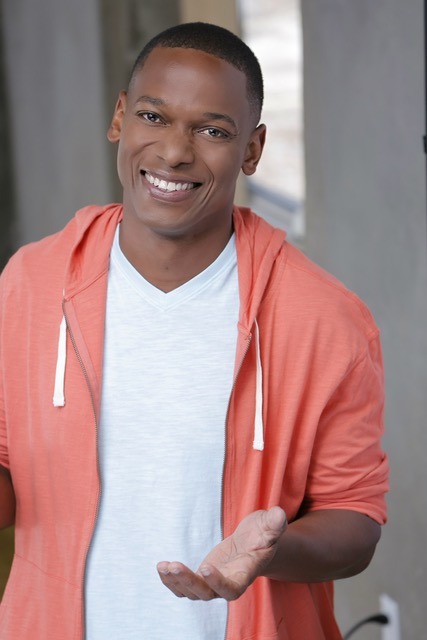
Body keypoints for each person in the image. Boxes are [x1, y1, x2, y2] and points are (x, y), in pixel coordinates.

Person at [0, 21, 388, 640]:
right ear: (120, 117)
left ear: (252, 150)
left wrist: (272, 552)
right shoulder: (31, 283)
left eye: (213, 131)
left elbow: (355, 518)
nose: (175, 152)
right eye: (154, 117)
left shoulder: (325, 318)